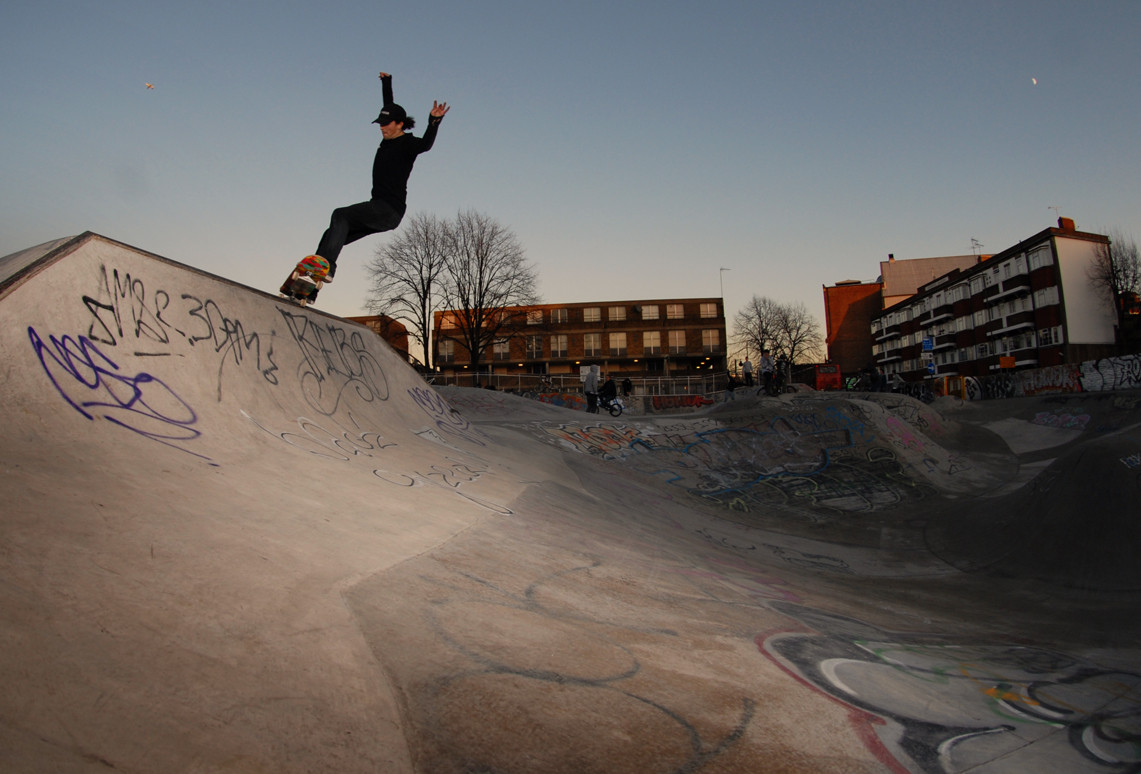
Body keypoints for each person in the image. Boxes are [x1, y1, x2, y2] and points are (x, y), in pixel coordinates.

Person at [312, 71, 450, 284]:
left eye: (387, 125)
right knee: (332, 234)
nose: (382, 128)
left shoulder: (408, 144)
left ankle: (327, 268)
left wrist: (434, 121)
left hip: (388, 209)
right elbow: (389, 104)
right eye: (380, 125)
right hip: (377, 208)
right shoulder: (389, 133)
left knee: (340, 215)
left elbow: (426, 145)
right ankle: (311, 283)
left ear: (400, 124)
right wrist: (387, 82)